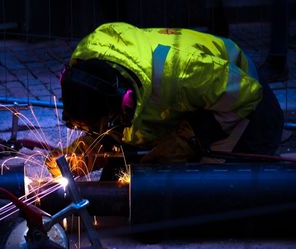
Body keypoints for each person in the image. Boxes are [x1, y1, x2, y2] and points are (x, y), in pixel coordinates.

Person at [47, 22, 284, 178]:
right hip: (188, 100)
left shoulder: (182, 70)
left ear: (126, 101)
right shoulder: (87, 63)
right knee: (124, 181)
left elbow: (247, 95)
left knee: (189, 193)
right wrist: (83, 153)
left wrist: (188, 140)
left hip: (246, 107)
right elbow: (108, 126)